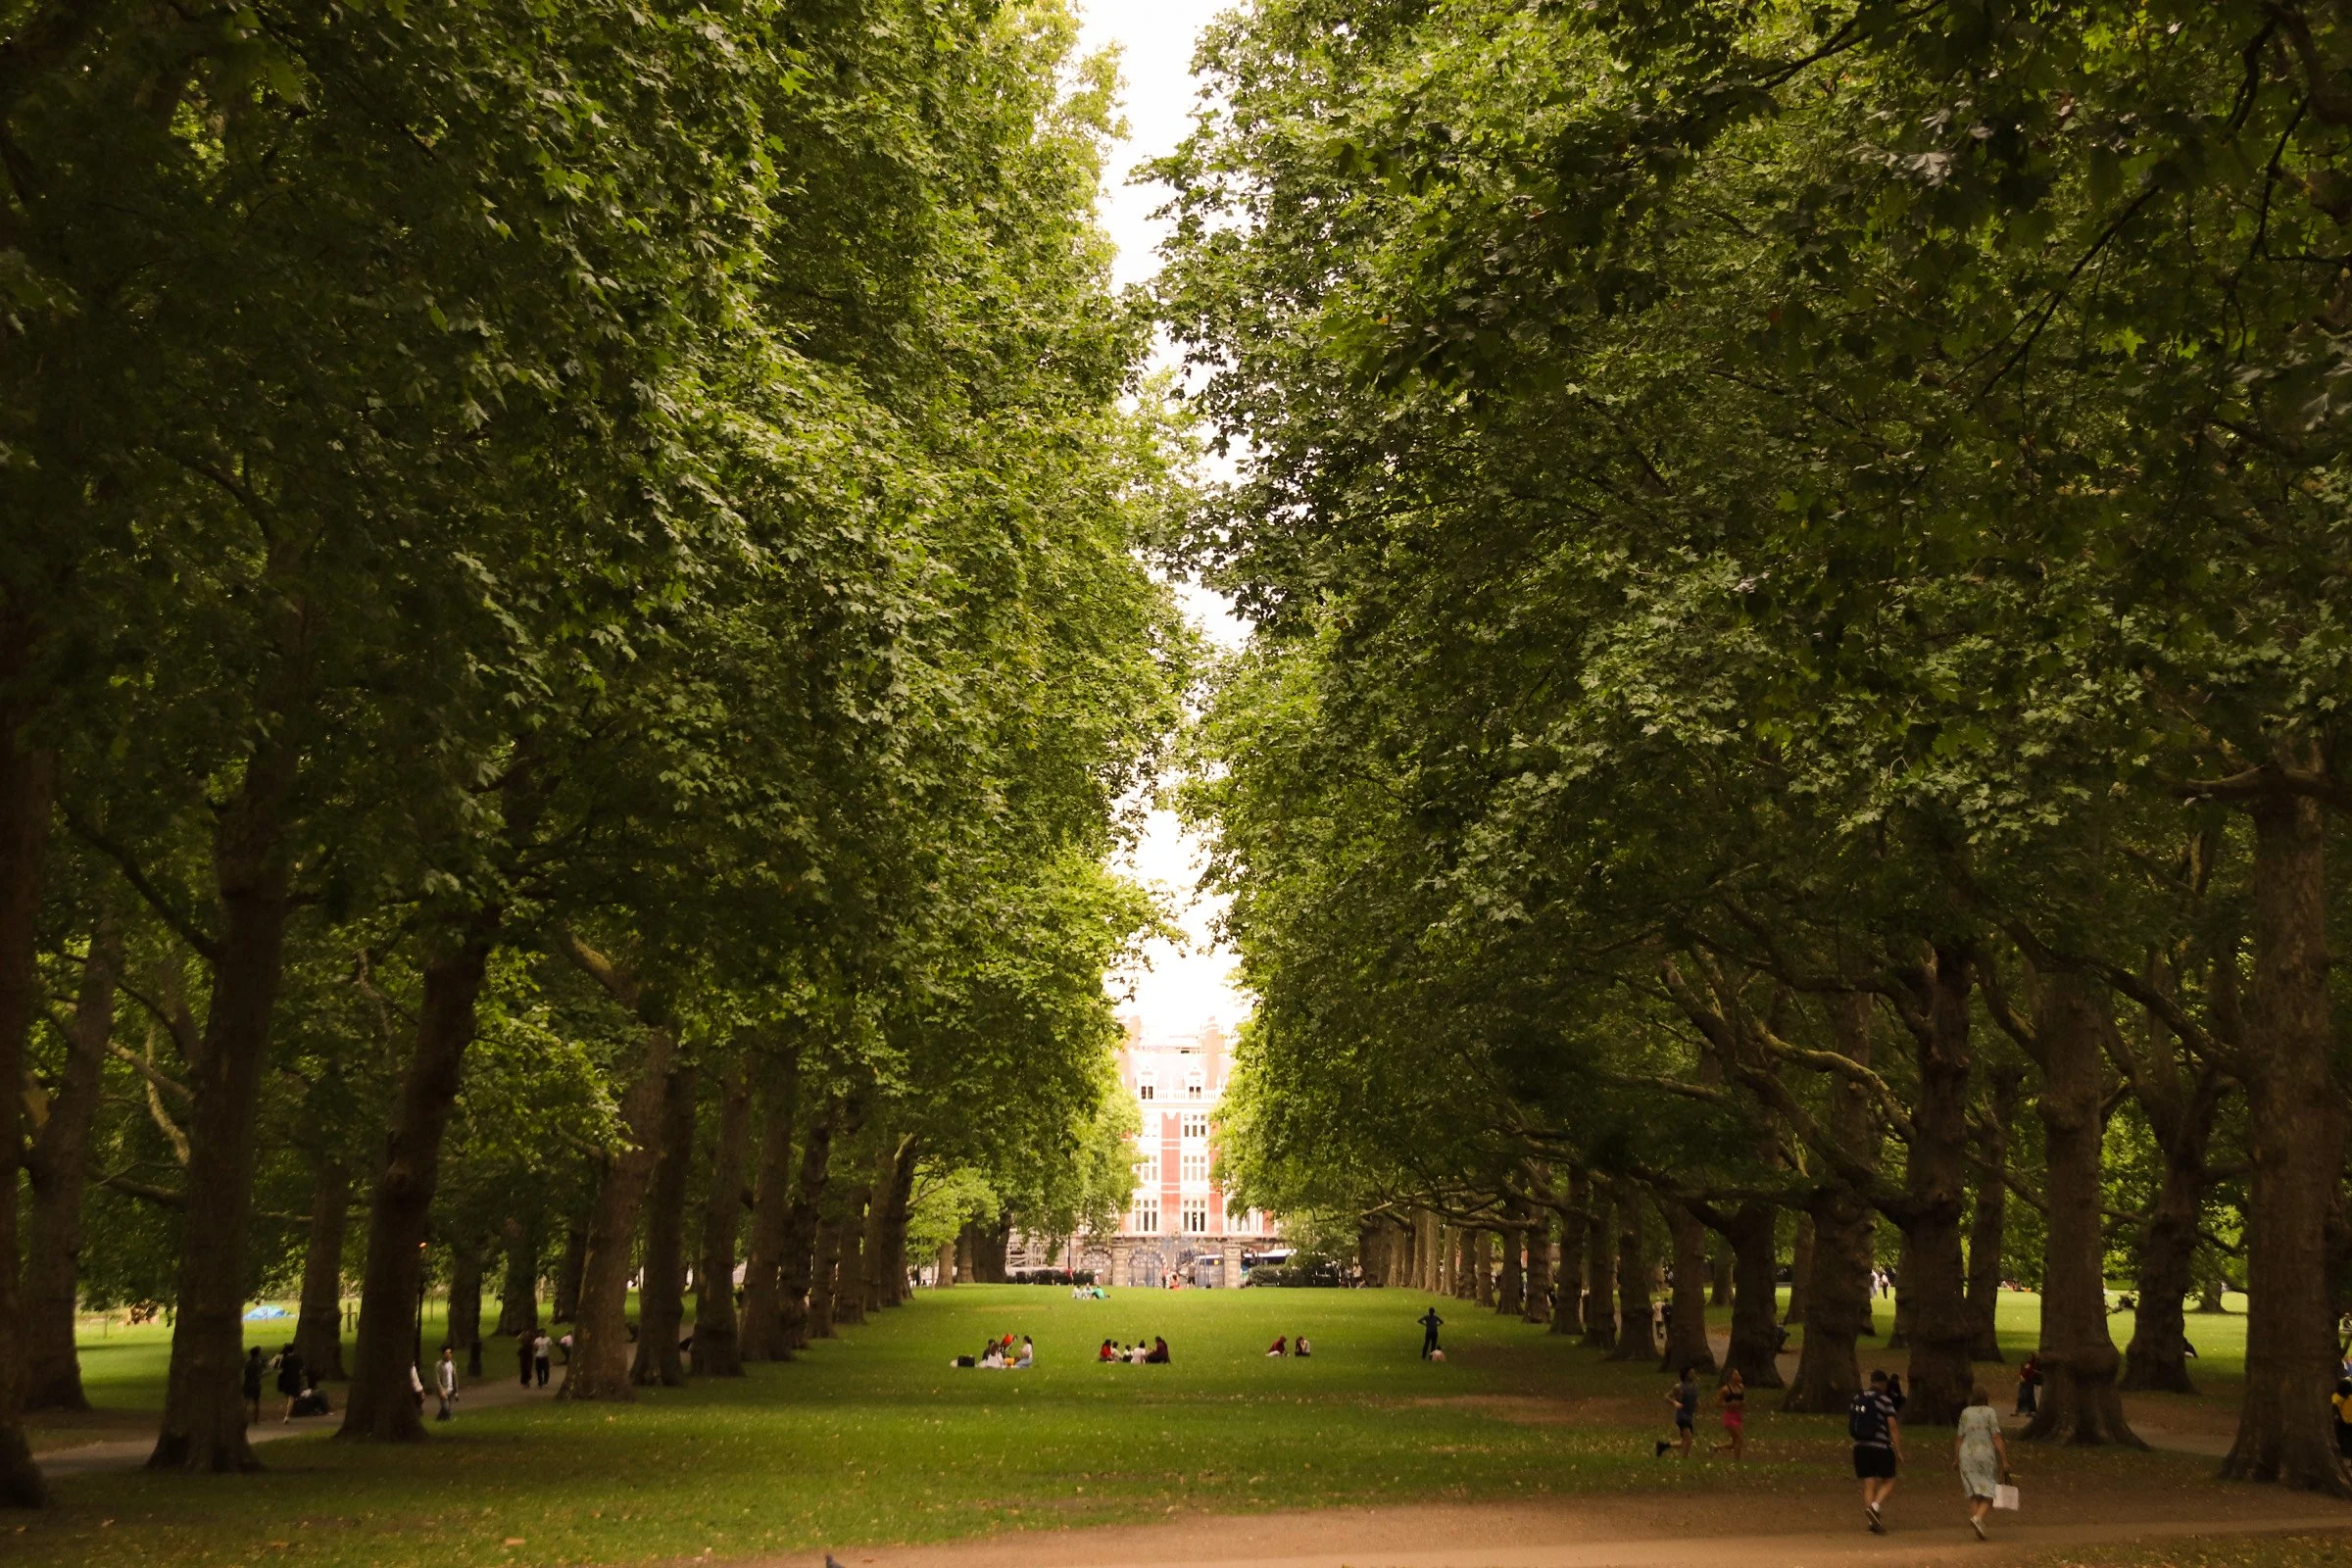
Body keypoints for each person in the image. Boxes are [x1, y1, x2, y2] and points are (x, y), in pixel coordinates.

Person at [1849, 1369, 1903, 1534]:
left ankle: (1872, 1521)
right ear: (1883, 1383)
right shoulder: (1884, 1400)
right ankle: (1875, 1506)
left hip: (1860, 1446)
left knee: (1869, 1482)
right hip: (1880, 1446)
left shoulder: (1857, 1398)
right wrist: (1898, 1450)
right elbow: (1892, 1426)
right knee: (1889, 1480)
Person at [1955, 1385, 2008, 1541]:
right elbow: (1996, 1436)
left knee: (1973, 1491)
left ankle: (1978, 1520)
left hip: (1966, 1455)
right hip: (1984, 1455)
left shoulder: (1965, 1412)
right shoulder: (1989, 1412)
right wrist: (2004, 1459)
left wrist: (1956, 1457)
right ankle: (1978, 1519)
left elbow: (1959, 1437)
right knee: (1990, 1491)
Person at [1656, 1365, 1698, 1458]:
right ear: (1686, 1375)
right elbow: (1666, 1396)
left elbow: (1694, 1400)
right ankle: (1685, 1460)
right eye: (1691, 1373)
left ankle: (1663, 1446)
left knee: (1684, 1442)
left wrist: (1696, 1404)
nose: (1694, 1374)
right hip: (1681, 1416)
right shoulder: (1679, 1387)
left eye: (1694, 1372)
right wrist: (1674, 1402)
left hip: (1689, 1416)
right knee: (1689, 1439)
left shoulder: (1695, 1387)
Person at [1714, 1367, 1746, 1460]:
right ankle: (1737, 1461)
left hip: (1738, 1416)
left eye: (1738, 1374)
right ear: (1730, 1376)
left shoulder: (1741, 1387)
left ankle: (1716, 1448)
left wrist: (1743, 1404)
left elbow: (1743, 1400)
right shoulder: (1725, 1389)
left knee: (1735, 1442)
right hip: (1729, 1416)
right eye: (1736, 1374)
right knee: (1739, 1439)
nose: (1738, 1376)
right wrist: (1728, 1404)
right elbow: (1717, 1403)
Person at [275, 1345, 308, 1423]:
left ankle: (287, 1415)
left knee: (289, 1398)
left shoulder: (285, 1359)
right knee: (291, 1398)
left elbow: (280, 1372)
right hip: (295, 1380)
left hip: (286, 1381)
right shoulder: (298, 1358)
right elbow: (302, 1370)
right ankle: (288, 1413)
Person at [242, 1347, 268, 1426]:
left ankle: (241, 1419)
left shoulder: (248, 1362)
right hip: (256, 1385)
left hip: (247, 1383)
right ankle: (256, 1421)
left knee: (245, 1403)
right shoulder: (258, 1363)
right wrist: (267, 1373)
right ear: (257, 1353)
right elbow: (259, 1375)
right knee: (256, 1403)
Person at [435, 1346, 459, 1421]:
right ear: (443, 1354)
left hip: (451, 1389)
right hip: (443, 1389)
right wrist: (441, 1391)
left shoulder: (453, 1364)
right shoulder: (439, 1365)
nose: (448, 1355)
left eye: (449, 1353)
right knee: (447, 1407)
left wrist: (456, 1391)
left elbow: (455, 1378)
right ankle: (449, 1419)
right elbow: (437, 1379)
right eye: (446, 1353)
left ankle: (439, 1418)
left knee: (445, 1407)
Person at [2015, 1352, 2041, 1416]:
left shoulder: (2034, 1365)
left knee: (2030, 1397)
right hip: (2024, 1382)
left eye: (2030, 1357)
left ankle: (2031, 1411)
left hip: (2029, 1383)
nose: (2029, 1358)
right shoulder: (2025, 1364)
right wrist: (2021, 1378)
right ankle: (2018, 1411)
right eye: (2028, 1356)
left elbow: (2032, 1373)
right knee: (2021, 1397)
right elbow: (2022, 1371)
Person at [2333, 1378, 2352, 1459]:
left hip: (2346, 1422)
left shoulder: (2336, 1397)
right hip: (2346, 1422)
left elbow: (2335, 1407)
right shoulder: (2337, 1397)